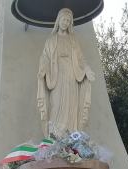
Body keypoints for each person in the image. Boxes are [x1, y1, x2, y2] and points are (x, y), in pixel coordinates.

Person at [36, 7, 94, 136]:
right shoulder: (51, 40)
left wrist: (87, 69)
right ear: (59, 20)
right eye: (64, 19)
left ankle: (71, 136)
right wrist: (43, 69)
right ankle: (54, 136)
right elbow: (45, 57)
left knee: (71, 106)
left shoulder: (73, 40)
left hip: (72, 75)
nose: (65, 22)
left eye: (68, 20)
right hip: (56, 76)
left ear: (70, 23)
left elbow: (80, 58)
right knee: (56, 104)